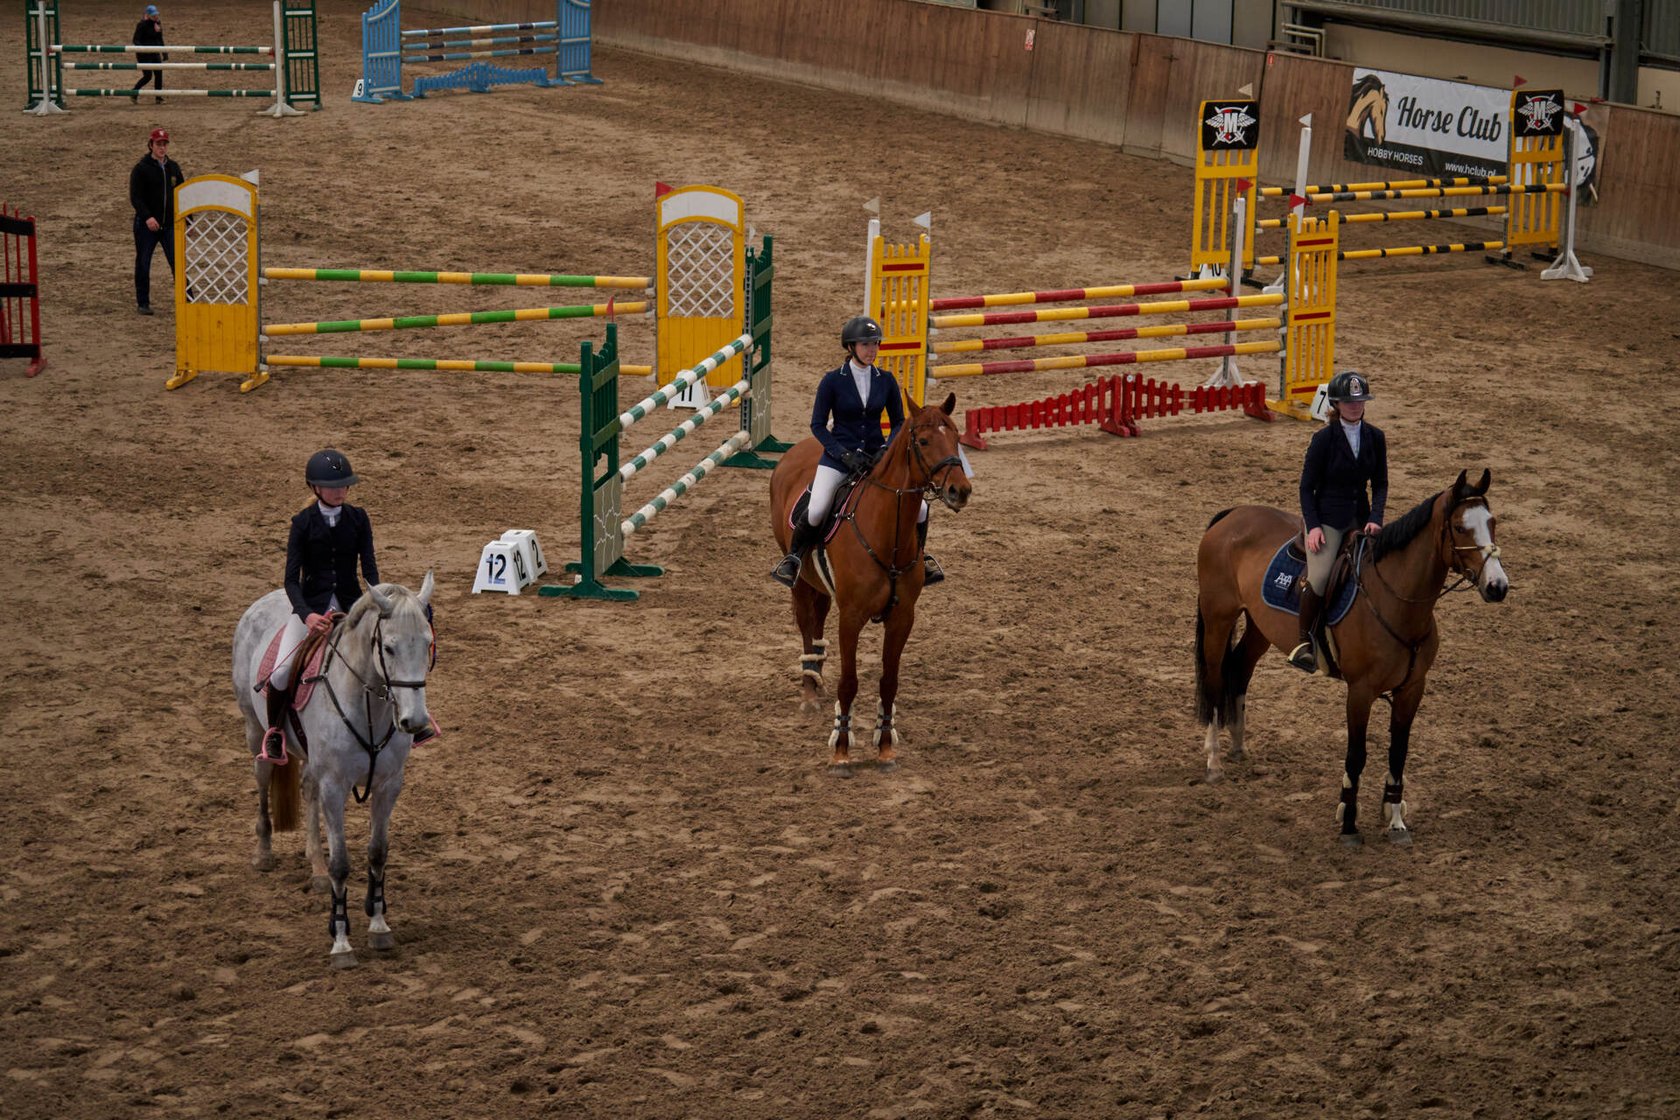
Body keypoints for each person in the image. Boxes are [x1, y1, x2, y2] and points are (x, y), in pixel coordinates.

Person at [261, 449, 436, 762]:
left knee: (389, 656)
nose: (340, 491)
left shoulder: (358, 518)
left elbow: (369, 569)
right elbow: (291, 581)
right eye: (333, 486)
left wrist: (379, 603)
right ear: (315, 487)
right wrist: (307, 615)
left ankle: (414, 717)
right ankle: (275, 732)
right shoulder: (302, 523)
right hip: (312, 609)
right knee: (280, 672)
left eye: (344, 485)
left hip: (354, 607)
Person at [771, 315, 944, 589]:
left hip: (877, 459)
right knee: (817, 508)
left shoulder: (885, 380)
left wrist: (885, 449)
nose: (872, 350)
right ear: (851, 347)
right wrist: (842, 454)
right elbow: (817, 425)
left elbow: (898, 422)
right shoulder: (832, 381)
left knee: (921, 507)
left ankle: (921, 557)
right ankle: (793, 560)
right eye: (865, 344)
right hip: (839, 459)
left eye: (875, 344)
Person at [1290, 371, 1388, 672]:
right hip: (1328, 520)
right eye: (1348, 402)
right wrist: (1313, 526)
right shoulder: (1323, 440)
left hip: (1362, 519)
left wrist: (1376, 518)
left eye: (1359, 401)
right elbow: (1306, 487)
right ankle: (1304, 643)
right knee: (1319, 578)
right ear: (1336, 404)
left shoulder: (1375, 437)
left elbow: (1380, 484)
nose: (1355, 406)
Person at [129, 127, 183, 315]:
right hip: (146, 226)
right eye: (159, 144)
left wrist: (188, 220)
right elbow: (136, 197)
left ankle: (188, 300)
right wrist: (147, 217)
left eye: (164, 144)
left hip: (169, 225)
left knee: (178, 263)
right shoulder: (141, 169)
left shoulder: (173, 167)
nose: (162, 147)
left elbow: (182, 193)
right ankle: (143, 303)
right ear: (151, 145)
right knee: (143, 263)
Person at [132, 5, 166, 103]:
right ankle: (134, 92)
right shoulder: (141, 25)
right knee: (148, 76)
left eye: (156, 15)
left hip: (155, 52)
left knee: (159, 74)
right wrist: (143, 49)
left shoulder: (157, 23)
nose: (156, 17)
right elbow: (135, 40)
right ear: (148, 15)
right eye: (153, 15)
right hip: (144, 55)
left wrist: (164, 52)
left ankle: (158, 97)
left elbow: (160, 39)